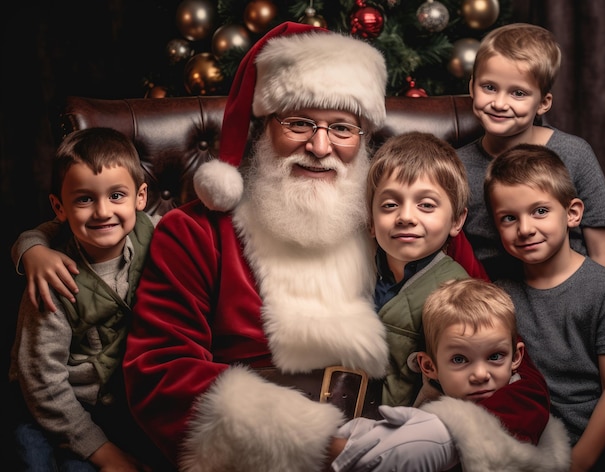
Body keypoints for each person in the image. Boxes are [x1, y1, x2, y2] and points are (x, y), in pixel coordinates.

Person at [9, 23, 541, 472]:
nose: (320, 145)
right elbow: (158, 372)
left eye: (342, 127)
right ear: (263, 125)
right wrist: (319, 443)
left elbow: (507, 360)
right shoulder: (195, 233)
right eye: (299, 123)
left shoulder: (403, 227)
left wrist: (443, 434)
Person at [8, 128, 166, 471]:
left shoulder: (154, 234)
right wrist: (102, 451)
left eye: (116, 195)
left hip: (124, 406)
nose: (101, 212)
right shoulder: (52, 280)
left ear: (140, 198)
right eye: (83, 199)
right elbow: (41, 380)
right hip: (61, 408)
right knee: (34, 457)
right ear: (58, 207)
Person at [484, 143, 605, 471]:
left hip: (595, 444)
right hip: (529, 443)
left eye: (540, 211)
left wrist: (580, 461)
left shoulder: (604, 289)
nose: (525, 228)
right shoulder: (502, 294)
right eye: (509, 218)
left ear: (572, 213)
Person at [333, 278, 570, 472]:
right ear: (428, 367)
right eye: (459, 359)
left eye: (495, 356)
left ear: (516, 357)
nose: (480, 374)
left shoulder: (523, 402)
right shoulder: (433, 396)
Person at [457, 22, 605, 281]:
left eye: (518, 93)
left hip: (570, 297)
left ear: (543, 103)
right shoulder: (458, 167)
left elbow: (602, 250)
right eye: (489, 87)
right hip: (494, 305)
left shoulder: (574, 154)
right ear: (472, 86)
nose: (499, 103)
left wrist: (597, 306)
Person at [365, 131, 472, 407]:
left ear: (456, 221)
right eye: (390, 205)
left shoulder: (457, 292)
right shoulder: (359, 272)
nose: (406, 217)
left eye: (426, 205)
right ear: (371, 222)